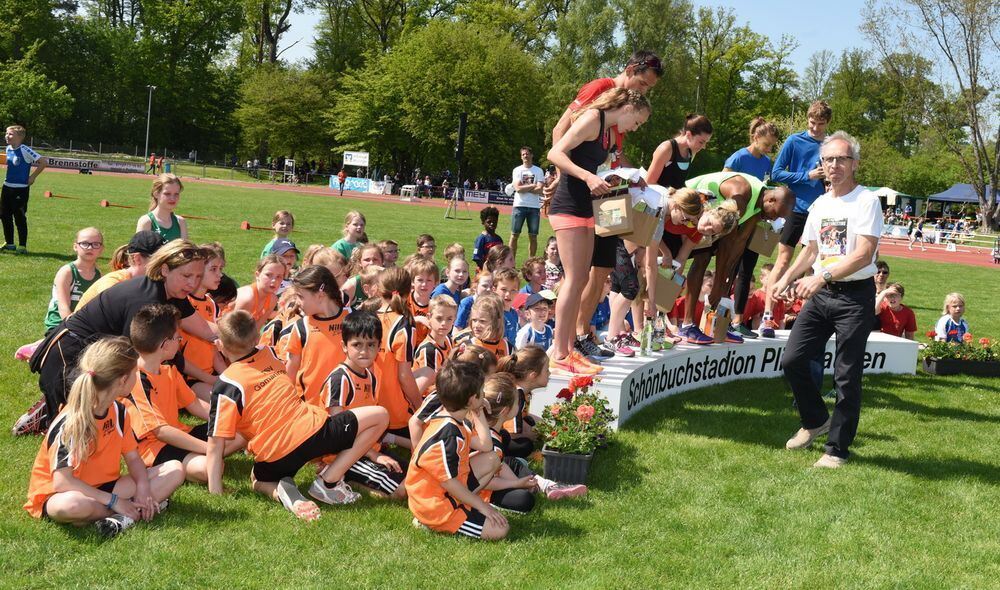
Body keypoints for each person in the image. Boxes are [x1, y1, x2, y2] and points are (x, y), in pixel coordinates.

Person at [205, 311, 390, 520]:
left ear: (220, 345)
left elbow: (215, 445)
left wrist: (216, 491)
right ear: (257, 338)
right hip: (314, 433)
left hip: (276, 455)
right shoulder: (270, 354)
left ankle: (280, 491)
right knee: (381, 415)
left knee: (258, 479)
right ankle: (328, 480)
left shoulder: (226, 384)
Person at [21, 240, 217, 436]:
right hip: (68, 352)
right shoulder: (146, 300)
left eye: (198, 276)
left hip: (95, 351)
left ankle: (51, 405)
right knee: (76, 431)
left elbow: (206, 331)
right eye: (186, 275)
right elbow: (137, 357)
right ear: (165, 270)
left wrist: (242, 337)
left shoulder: (175, 294)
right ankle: (50, 409)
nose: (192, 283)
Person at [770, 130, 882, 469]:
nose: (833, 165)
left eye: (841, 159)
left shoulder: (866, 201)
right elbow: (812, 250)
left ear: (855, 164)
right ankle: (815, 419)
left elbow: (864, 255)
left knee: (846, 375)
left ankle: (837, 450)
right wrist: (786, 277)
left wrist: (821, 276)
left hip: (853, 297)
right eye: (828, 159)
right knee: (793, 360)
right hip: (822, 296)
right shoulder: (820, 203)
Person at [24, 337, 184, 537]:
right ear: (123, 380)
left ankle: (123, 515)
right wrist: (114, 501)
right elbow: (62, 482)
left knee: (175, 469)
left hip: (106, 487)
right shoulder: (72, 422)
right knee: (72, 506)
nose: (137, 376)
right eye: (135, 372)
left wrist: (143, 487)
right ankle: (130, 511)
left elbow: (133, 458)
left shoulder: (120, 411)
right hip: (65, 494)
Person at [546, 88, 651, 375]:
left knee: (580, 280)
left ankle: (569, 349)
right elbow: (555, 152)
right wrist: (587, 176)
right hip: (568, 203)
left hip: (588, 206)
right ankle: (559, 353)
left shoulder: (608, 130)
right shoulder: (593, 118)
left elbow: (597, 163)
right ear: (628, 108)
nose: (635, 128)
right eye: (637, 121)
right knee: (574, 279)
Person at [127, 305, 243, 483]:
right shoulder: (135, 380)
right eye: (177, 337)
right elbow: (162, 432)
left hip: (182, 434)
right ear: (165, 345)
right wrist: (209, 448)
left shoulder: (168, 369)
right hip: (156, 448)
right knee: (209, 468)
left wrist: (226, 421)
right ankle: (203, 459)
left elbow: (194, 403)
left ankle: (211, 454)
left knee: (243, 430)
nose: (180, 341)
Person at [677, 172, 794, 344]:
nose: (774, 218)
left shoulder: (757, 208)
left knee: (730, 269)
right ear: (770, 201)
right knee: (703, 258)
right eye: (775, 213)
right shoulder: (742, 194)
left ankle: (720, 325)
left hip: (714, 222)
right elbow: (726, 243)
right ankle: (687, 325)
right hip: (693, 213)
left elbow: (739, 244)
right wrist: (718, 285)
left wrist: (724, 283)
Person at [405, 361, 508, 540]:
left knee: (492, 459)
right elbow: (449, 483)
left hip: (445, 490)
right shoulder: (448, 434)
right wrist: (482, 506)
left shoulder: (453, 418)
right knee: (501, 529)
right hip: (435, 504)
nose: (484, 394)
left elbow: (486, 445)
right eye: (481, 391)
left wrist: (479, 411)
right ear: (470, 399)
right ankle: (430, 522)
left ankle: (463, 503)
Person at [762, 101, 833, 338]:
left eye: (820, 124)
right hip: (796, 206)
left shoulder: (831, 144)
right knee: (783, 260)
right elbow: (777, 173)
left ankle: (804, 317)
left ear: (827, 123)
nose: (815, 128)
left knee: (814, 264)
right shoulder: (794, 141)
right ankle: (767, 315)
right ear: (807, 120)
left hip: (821, 210)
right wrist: (807, 175)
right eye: (812, 123)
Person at [321, 310, 407, 499]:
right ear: (344, 346)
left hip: (367, 449)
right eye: (357, 344)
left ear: (378, 347)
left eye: (371, 345)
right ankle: (338, 475)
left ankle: (354, 479)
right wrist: (374, 455)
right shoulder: (340, 379)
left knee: (416, 479)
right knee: (403, 491)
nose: (364, 351)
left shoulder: (370, 376)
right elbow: (337, 434)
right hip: (343, 455)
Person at [725, 117, 780, 339]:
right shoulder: (738, 157)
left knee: (746, 271)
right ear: (755, 137)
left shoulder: (766, 162)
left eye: (771, 146)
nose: (768, 149)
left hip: (755, 223)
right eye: (766, 144)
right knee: (728, 269)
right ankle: (717, 316)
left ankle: (738, 320)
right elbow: (723, 183)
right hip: (734, 223)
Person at [360, 267, 424, 448]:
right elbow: (404, 376)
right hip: (395, 410)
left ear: (379, 290)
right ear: (409, 291)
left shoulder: (366, 316)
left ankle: (380, 436)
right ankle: (388, 437)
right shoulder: (403, 323)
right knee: (430, 438)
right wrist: (420, 406)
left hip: (367, 401)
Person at [285, 265, 347, 406]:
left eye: (300, 296)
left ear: (320, 295)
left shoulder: (352, 319)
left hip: (349, 407)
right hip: (312, 410)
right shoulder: (302, 327)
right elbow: (291, 370)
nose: (297, 302)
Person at [179, 242, 227, 401]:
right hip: (189, 378)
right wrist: (211, 379)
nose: (220, 275)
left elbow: (213, 349)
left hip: (209, 373)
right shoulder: (182, 302)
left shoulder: (211, 304)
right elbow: (176, 355)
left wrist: (227, 375)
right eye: (213, 269)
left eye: (221, 269)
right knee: (224, 403)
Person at [76, 231, 165, 311]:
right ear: (137, 258)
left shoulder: (153, 284)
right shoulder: (112, 283)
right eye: (159, 259)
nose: (165, 265)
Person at [43, 228, 104, 332]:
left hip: (84, 325)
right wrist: (77, 328)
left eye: (95, 244)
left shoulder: (99, 276)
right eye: (84, 243)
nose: (90, 248)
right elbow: (63, 308)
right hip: (60, 324)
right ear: (75, 246)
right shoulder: (67, 272)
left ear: (101, 249)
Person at [495, 346, 548, 458]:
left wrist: (543, 427)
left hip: (498, 433)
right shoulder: (516, 394)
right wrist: (538, 434)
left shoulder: (520, 390)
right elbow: (512, 432)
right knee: (525, 445)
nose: (550, 373)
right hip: (498, 437)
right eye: (546, 370)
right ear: (532, 375)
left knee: (532, 421)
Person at [2, 125, 47, 253]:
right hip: (7, 187)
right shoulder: (8, 149)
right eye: (6, 133)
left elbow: (43, 162)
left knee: (19, 216)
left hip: (20, 189)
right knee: (4, 215)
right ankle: (9, 244)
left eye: (10, 134)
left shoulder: (25, 149)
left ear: (20, 137)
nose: (7, 136)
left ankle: (22, 246)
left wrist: (32, 177)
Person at [412, 295, 457, 395]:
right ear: (429, 317)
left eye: (449, 319)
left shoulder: (448, 339)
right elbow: (430, 387)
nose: (444, 323)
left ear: (454, 319)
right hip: (426, 399)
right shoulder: (429, 350)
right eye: (439, 318)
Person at [454, 292, 514, 359]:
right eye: (474, 320)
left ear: (497, 321)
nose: (476, 325)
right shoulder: (467, 346)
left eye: (482, 321)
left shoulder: (507, 347)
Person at [509, 147, 545, 259]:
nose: (525, 156)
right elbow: (518, 189)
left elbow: (540, 190)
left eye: (527, 154)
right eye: (523, 154)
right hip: (519, 206)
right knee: (514, 235)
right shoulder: (517, 170)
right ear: (521, 157)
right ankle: (511, 262)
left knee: (533, 236)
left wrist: (524, 187)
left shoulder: (538, 171)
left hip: (534, 207)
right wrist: (533, 185)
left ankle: (531, 262)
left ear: (532, 155)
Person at [232, 255, 283, 331]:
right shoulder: (248, 298)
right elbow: (232, 329)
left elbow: (256, 329)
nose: (274, 281)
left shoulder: (273, 299)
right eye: (268, 275)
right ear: (257, 275)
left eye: (278, 276)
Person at [136, 173, 188, 242]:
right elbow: (139, 252)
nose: (172, 198)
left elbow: (186, 251)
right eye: (167, 194)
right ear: (156, 194)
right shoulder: (146, 222)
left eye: (176, 194)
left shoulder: (181, 222)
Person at [491, 268, 521, 345]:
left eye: (513, 290)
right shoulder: (493, 313)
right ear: (494, 290)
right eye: (504, 289)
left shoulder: (514, 313)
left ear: (518, 292)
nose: (508, 294)